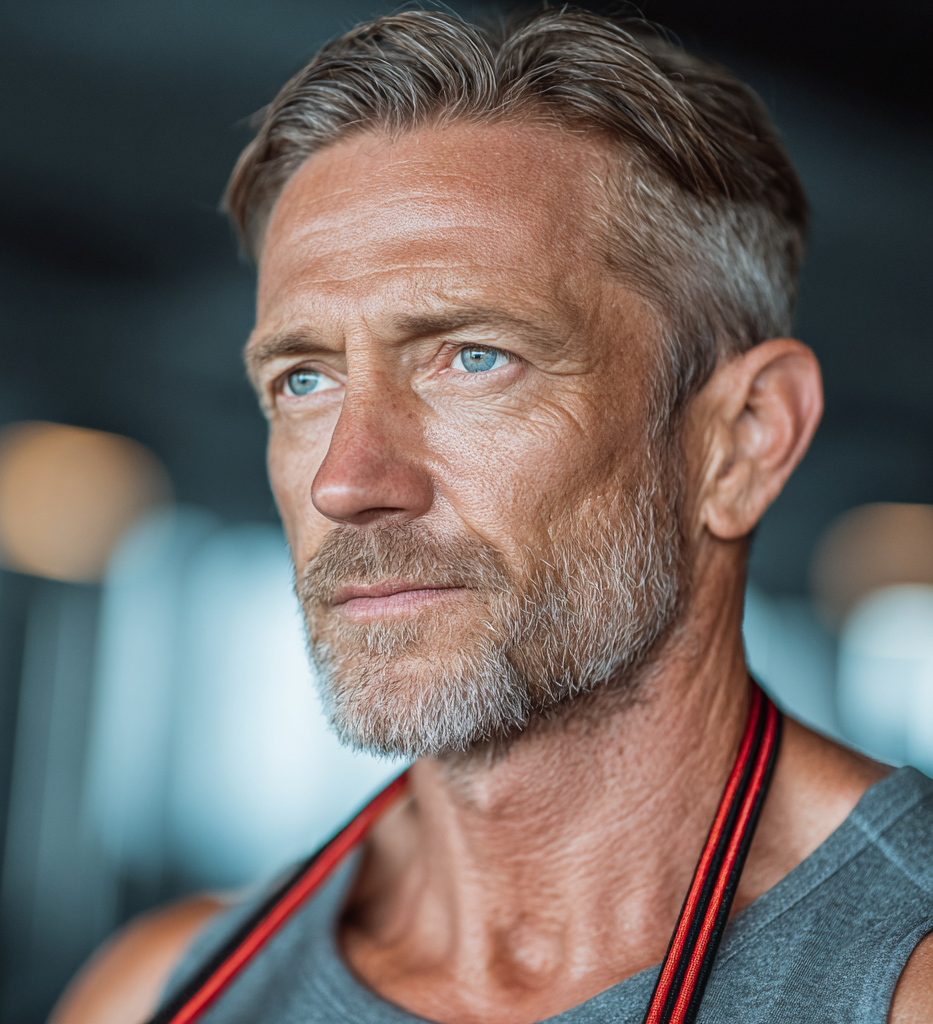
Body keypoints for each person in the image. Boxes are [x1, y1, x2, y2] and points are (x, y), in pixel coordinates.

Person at [52, 9, 932, 1023]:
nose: (347, 482)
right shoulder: (159, 991)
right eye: (305, 379)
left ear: (742, 438)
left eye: (474, 359)